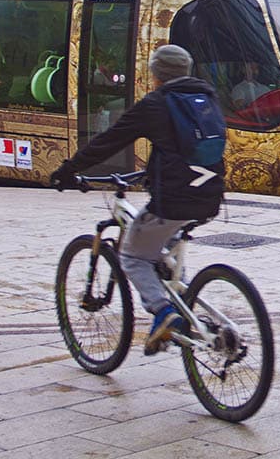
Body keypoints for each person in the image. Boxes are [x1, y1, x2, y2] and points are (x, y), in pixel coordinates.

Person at [50, 45, 225, 355]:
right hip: (210, 197)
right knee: (162, 249)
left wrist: (69, 169)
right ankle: (180, 309)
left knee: (132, 255)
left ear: (156, 75)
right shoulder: (206, 97)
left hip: (172, 201)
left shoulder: (156, 104)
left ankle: (163, 312)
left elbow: (108, 140)